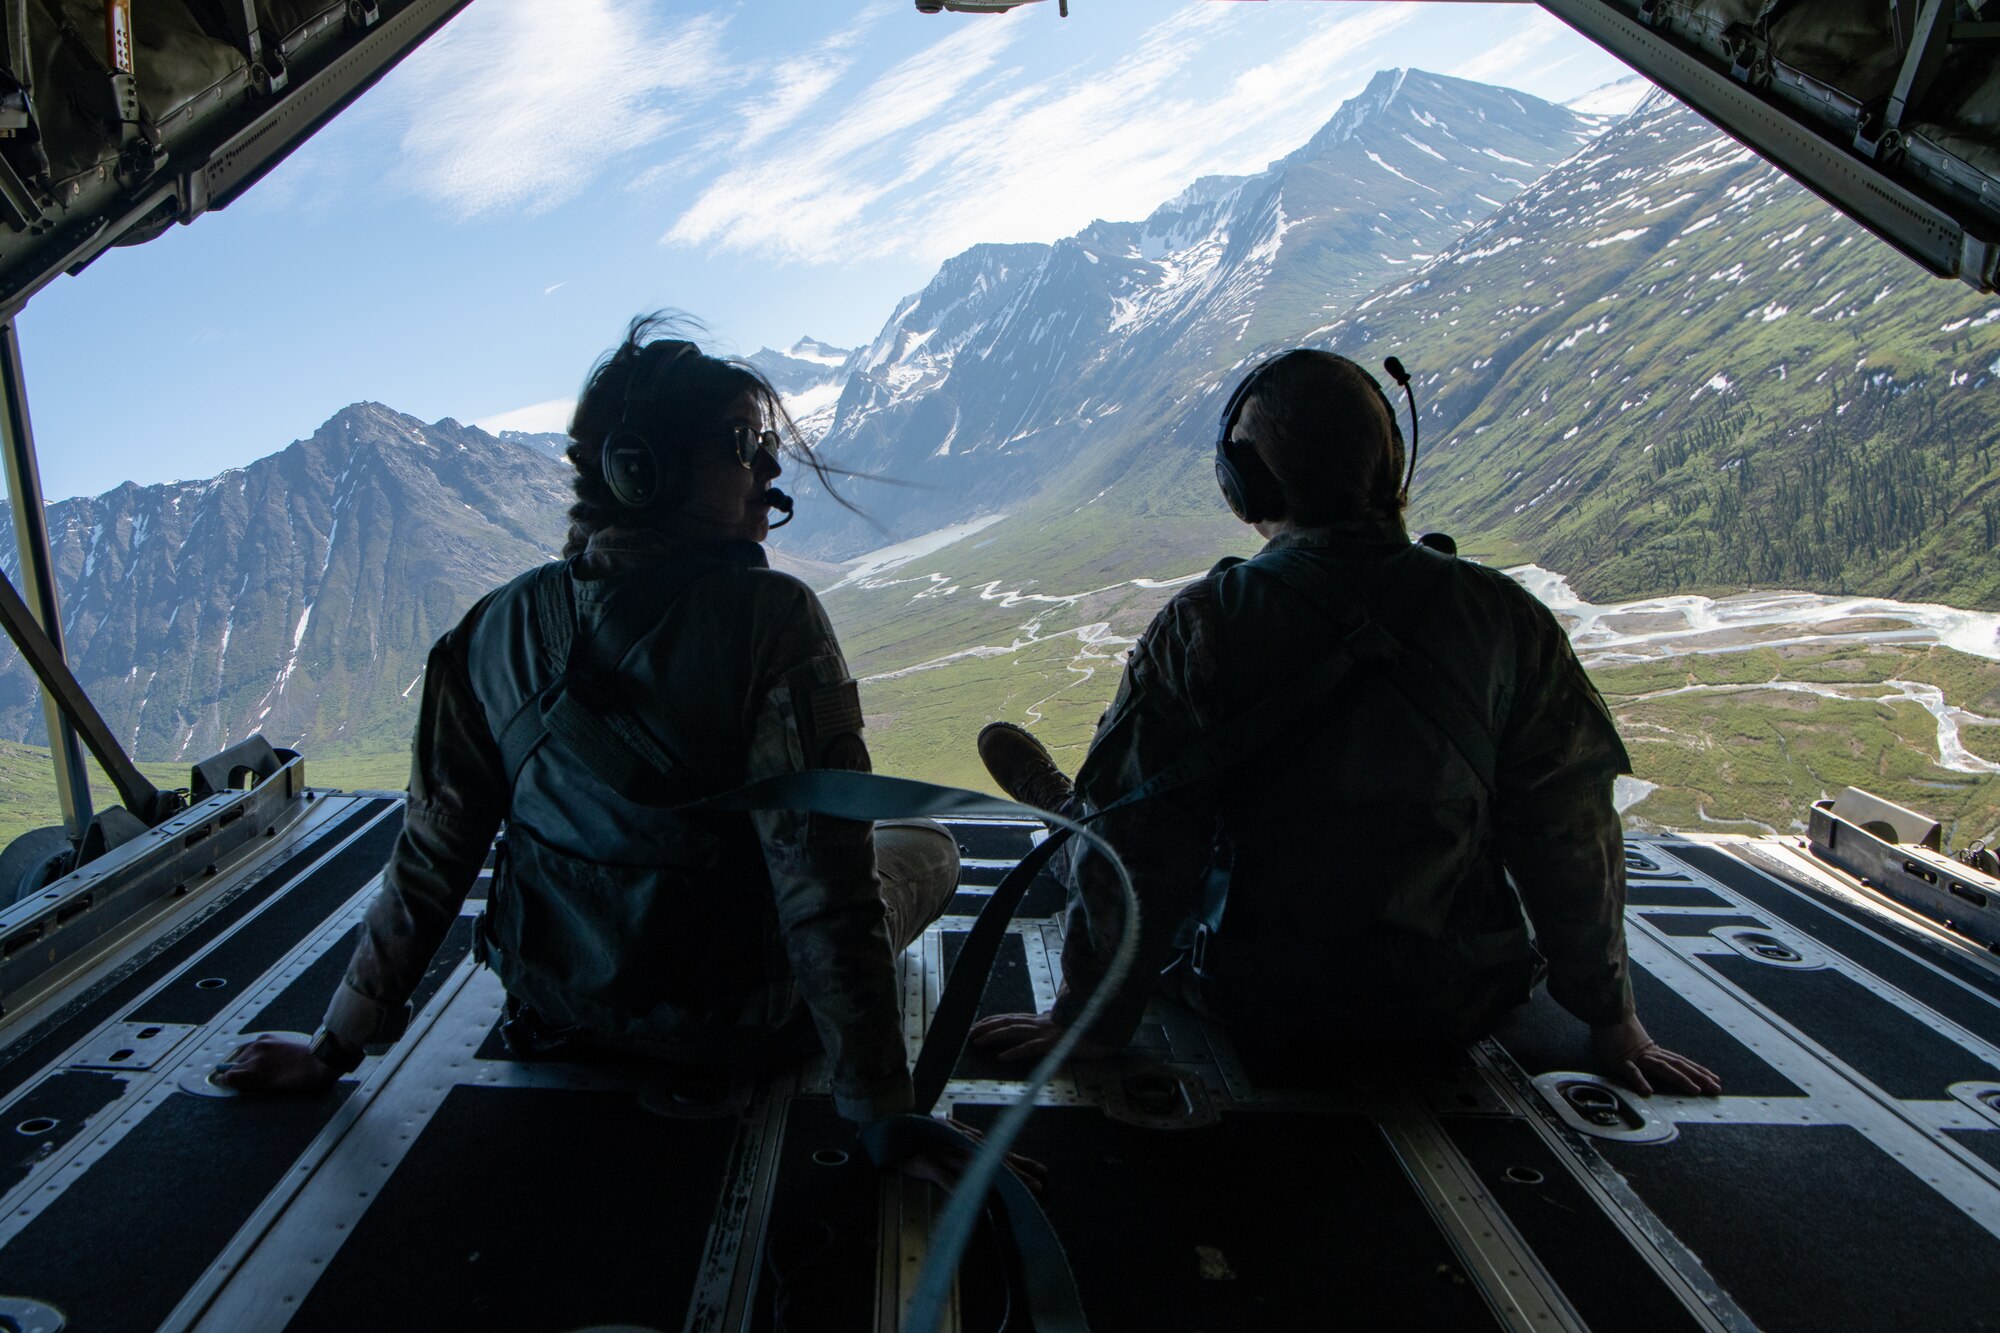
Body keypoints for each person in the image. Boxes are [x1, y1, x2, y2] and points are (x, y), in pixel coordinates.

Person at [220, 316, 1020, 1183]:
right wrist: (886, 1116)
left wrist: (334, 1042)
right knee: (929, 844)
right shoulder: (773, 621)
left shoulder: (493, 626)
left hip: (552, 1007)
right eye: (746, 444)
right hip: (733, 1027)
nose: (771, 468)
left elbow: (430, 854)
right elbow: (824, 892)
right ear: (648, 470)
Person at [969, 348, 1721, 1099]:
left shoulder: (1201, 624)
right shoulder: (1508, 618)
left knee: (1097, 824)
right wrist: (1613, 1018)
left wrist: (1087, 1022)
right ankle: (1057, 804)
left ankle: (1054, 806)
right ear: (1393, 466)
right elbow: (1571, 829)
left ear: (1245, 482)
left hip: (1256, 999)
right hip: (1454, 1002)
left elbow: (1135, 844)